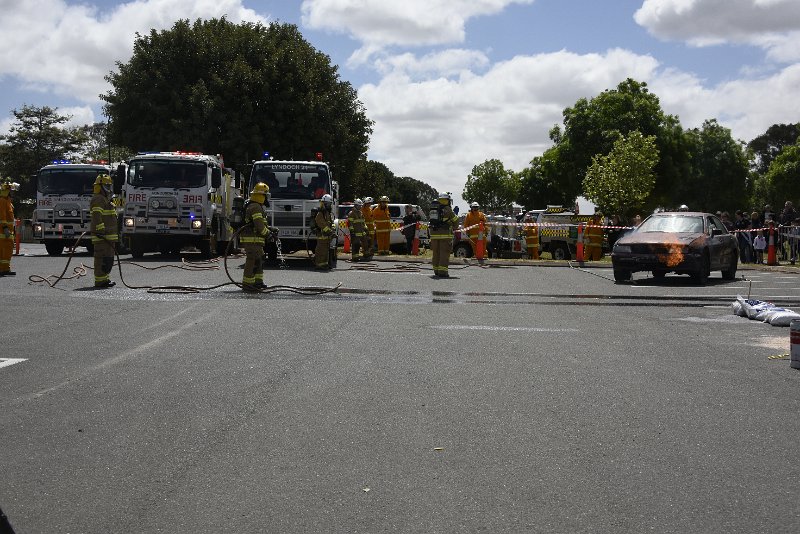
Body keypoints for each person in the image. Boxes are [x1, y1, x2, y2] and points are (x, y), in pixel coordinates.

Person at [240, 182, 277, 291]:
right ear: (261, 196)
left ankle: (258, 282)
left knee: (259, 259)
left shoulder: (257, 206)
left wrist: (270, 229)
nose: (266, 198)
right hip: (252, 240)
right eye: (265, 195)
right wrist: (268, 234)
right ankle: (248, 284)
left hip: (256, 240)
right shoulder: (255, 207)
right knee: (252, 260)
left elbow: (262, 224)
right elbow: (259, 226)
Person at [89, 174, 118, 288]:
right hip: (102, 236)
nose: (109, 188)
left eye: (109, 186)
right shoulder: (98, 199)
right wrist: (100, 230)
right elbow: (97, 215)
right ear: (100, 186)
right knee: (101, 258)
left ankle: (105, 279)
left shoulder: (106, 199)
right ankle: (100, 281)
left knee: (107, 259)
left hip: (108, 236)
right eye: (106, 186)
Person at [429, 192, 459, 277]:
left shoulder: (433, 209)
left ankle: (436, 270)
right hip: (445, 235)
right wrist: (454, 227)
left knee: (436, 253)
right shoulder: (448, 209)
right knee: (444, 253)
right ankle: (443, 272)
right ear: (447, 200)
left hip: (434, 235)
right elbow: (455, 221)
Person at [0, 179, 19, 276]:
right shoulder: (2, 201)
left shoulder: (8, 202)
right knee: (3, 252)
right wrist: (5, 228)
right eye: (11, 191)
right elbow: (2, 216)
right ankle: (2, 269)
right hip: (3, 233)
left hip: (8, 233)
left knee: (7, 252)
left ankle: (6, 269)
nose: (13, 193)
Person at [313, 193, 334, 270]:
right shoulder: (320, 214)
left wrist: (333, 230)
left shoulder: (328, 213)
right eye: (328, 204)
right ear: (324, 204)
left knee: (325, 252)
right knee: (320, 251)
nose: (329, 206)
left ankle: (324, 264)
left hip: (327, 237)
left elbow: (331, 223)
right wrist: (330, 231)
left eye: (330, 204)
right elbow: (322, 224)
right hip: (321, 236)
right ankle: (319, 265)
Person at [361, 196, 375, 260]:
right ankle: (365, 252)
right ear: (365, 203)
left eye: (370, 203)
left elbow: (372, 218)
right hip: (365, 228)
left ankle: (370, 252)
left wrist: (374, 226)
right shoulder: (362, 210)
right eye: (369, 203)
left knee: (371, 241)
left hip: (371, 228)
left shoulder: (370, 210)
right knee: (365, 241)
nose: (370, 204)